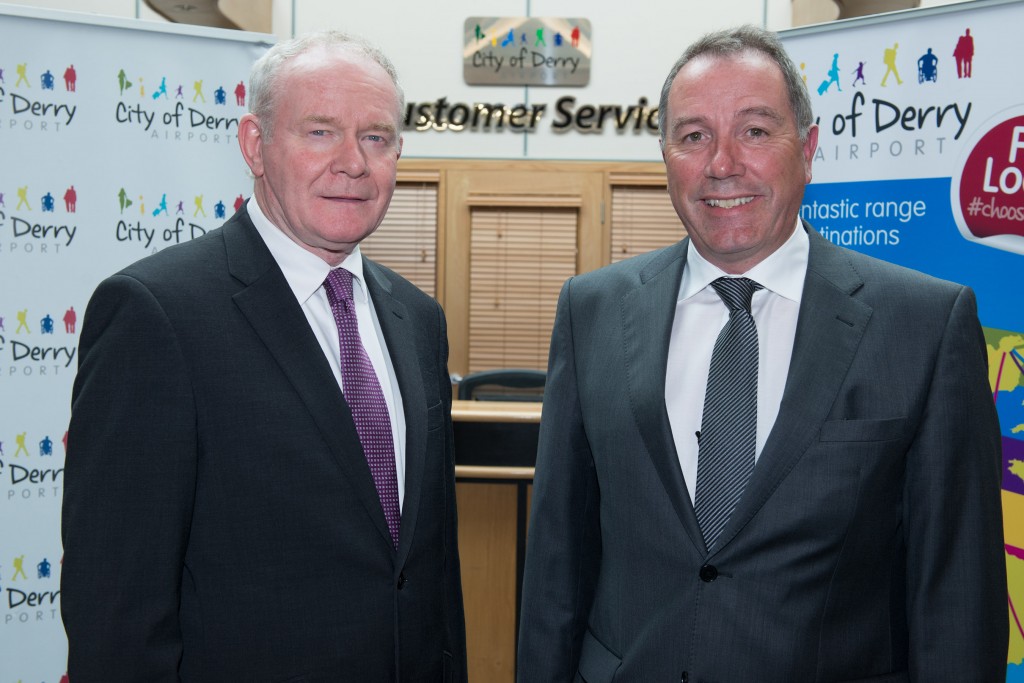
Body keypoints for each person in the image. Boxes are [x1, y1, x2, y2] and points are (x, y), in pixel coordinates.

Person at [517, 25, 1006, 682]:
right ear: (666, 156)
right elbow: (557, 567)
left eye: (754, 131)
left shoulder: (923, 324)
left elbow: (956, 594)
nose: (722, 163)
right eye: (693, 136)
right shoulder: (591, 310)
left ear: (806, 149)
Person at [61, 31, 466, 681]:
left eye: (377, 137)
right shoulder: (156, 315)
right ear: (254, 144)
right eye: (320, 132)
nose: (353, 163)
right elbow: (116, 607)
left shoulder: (418, 320)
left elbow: (429, 572)